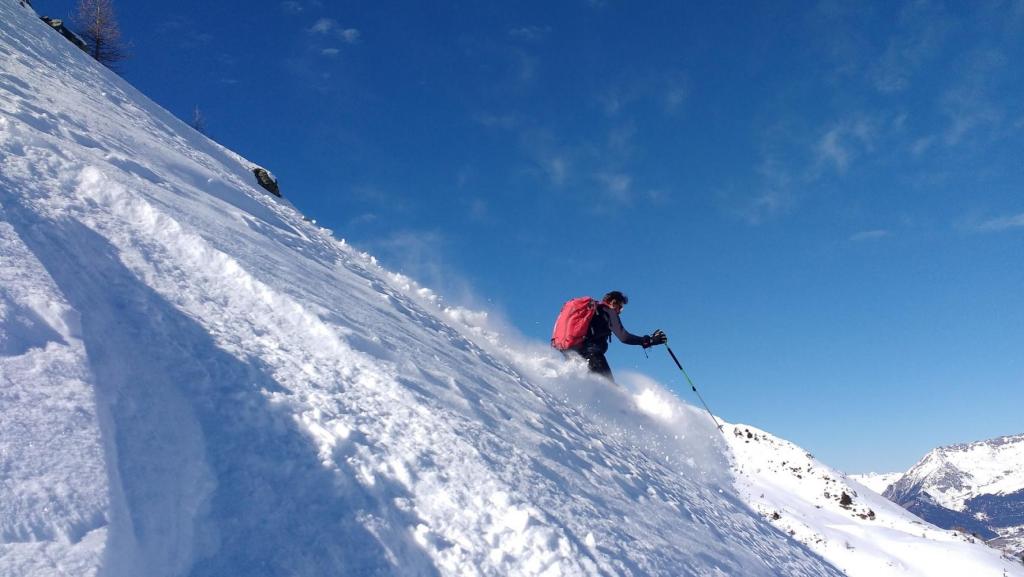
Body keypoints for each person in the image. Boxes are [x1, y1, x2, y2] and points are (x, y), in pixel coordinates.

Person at [574, 291, 667, 381]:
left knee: (591, 389)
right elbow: (624, 337)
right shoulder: (608, 311)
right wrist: (649, 340)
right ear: (613, 303)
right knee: (610, 387)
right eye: (620, 307)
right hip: (591, 354)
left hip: (573, 354)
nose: (620, 311)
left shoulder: (595, 312)